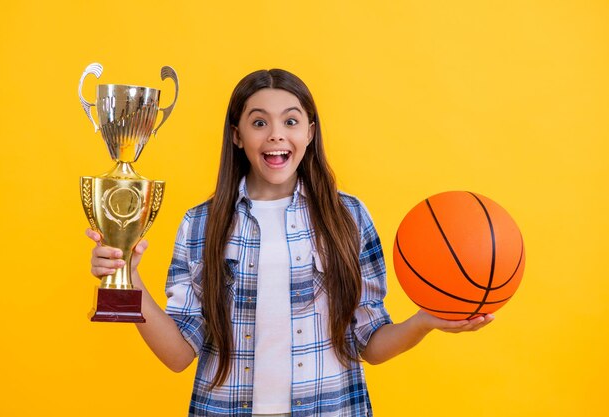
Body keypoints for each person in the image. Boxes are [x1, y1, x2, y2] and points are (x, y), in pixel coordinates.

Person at [87, 69, 493, 417]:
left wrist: (424, 321)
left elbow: (370, 343)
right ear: (237, 135)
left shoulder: (348, 217)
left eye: (291, 121)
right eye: (259, 122)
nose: (276, 135)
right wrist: (128, 278)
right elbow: (178, 356)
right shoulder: (201, 224)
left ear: (310, 133)